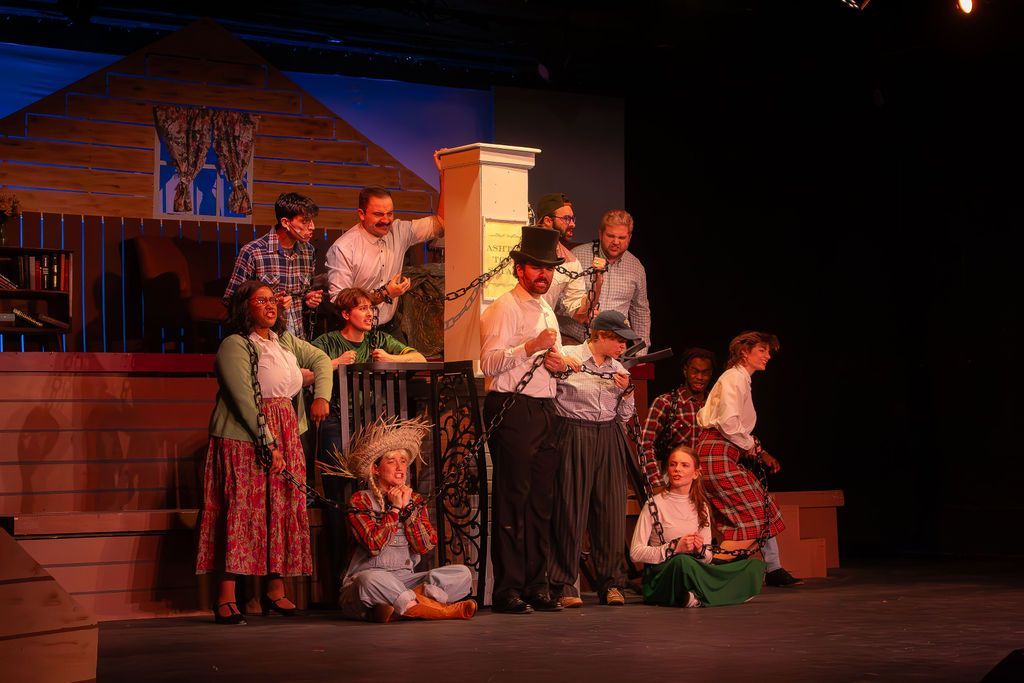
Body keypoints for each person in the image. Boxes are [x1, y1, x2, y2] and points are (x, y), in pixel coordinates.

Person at [196, 280, 332, 624]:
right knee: (242, 511)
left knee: (281, 508)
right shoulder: (235, 344)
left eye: (273, 300)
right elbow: (244, 399)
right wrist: (268, 442)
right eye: (261, 301)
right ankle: (226, 596)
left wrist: (321, 396)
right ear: (245, 307)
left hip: (287, 430)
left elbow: (321, 360)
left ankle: (275, 589)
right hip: (245, 437)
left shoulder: (282, 340)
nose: (271, 306)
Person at [479, 225, 571, 614]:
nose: (543, 274)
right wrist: (530, 346)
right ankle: (508, 588)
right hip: (512, 407)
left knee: (541, 502)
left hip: (545, 408)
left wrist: (558, 364)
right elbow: (488, 362)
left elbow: (553, 361)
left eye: (548, 268)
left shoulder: (546, 308)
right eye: (536, 267)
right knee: (513, 498)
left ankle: (537, 585)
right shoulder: (505, 307)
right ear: (520, 270)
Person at [311, 286, 426, 586]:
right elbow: (306, 370)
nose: (369, 314)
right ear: (346, 314)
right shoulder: (328, 342)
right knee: (339, 496)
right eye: (362, 308)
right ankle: (343, 572)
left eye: (370, 309)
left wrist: (391, 357)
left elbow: (420, 359)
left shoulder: (378, 339)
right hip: (337, 420)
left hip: (371, 425)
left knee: (375, 490)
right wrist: (334, 364)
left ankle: (384, 569)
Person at [325, 416, 476, 622]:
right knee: (369, 580)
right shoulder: (361, 500)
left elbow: (425, 546)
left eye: (403, 461)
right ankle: (441, 610)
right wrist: (395, 509)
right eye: (391, 461)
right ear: (375, 469)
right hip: (370, 581)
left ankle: (399, 607)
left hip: (406, 581)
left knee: (462, 573)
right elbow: (374, 545)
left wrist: (408, 510)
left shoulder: (414, 500)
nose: (400, 467)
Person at [695, 331, 802, 587]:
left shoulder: (740, 379)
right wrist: (750, 446)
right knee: (755, 515)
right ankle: (707, 572)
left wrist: (754, 448)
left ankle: (773, 568)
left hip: (723, 452)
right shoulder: (734, 378)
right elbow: (729, 423)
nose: (767, 356)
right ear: (745, 352)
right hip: (717, 452)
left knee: (762, 508)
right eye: (762, 350)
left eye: (768, 351)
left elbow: (736, 427)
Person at [549, 310, 636, 609]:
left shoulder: (618, 369)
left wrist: (627, 393)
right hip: (573, 432)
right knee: (570, 509)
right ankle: (563, 585)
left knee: (610, 511)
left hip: (609, 434)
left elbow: (624, 416)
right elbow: (546, 390)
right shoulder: (569, 356)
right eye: (619, 340)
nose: (623, 347)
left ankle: (612, 584)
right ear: (600, 336)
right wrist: (561, 367)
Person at [630, 445, 765, 607]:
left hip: (692, 568)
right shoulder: (653, 505)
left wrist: (700, 549)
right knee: (682, 562)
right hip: (663, 576)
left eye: (684, 465)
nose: (677, 469)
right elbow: (635, 553)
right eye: (673, 464)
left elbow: (707, 557)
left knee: (753, 566)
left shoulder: (701, 507)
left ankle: (693, 597)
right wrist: (674, 548)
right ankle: (725, 594)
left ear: (695, 473)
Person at [324, 166, 445, 339]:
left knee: (411, 356)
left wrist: (443, 174)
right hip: (355, 331)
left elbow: (441, 222)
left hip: (389, 327)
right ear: (362, 214)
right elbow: (340, 302)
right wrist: (385, 294)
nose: (386, 220)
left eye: (390, 213)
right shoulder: (343, 248)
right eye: (379, 214)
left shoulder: (399, 231)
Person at [223, 192, 323, 339]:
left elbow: (303, 294)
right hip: (263, 338)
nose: (312, 227)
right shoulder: (253, 252)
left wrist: (308, 300)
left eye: (312, 221)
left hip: (297, 337)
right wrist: (271, 304)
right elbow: (232, 300)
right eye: (304, 221)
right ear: (285, 223)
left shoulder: (308, 251)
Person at [562, 210, 651, 348]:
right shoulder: (576, 257)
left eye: (621, 237)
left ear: (629, 237)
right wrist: (580, 313)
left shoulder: (636, 267)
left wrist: (640, 351)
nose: (616, 242)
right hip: (574, 342)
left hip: (613, 346)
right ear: (600, 234)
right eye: (610, 236)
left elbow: (640, 311)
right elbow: (557, 301)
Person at [639, 348, 716, 493]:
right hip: (674, 474)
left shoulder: (715, 406)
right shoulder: (666, 403)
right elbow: (645, 444)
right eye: (695, 371)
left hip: (707, 477)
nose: (700, 377)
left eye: (705, 373)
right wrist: (656, 482)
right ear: (685, 371)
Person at [533, 192, 604, 331]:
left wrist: (598, 283)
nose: (573, 224)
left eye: (573, 218)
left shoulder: (571, 261)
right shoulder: (521, 250)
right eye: (566, 218)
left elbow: (579, 314)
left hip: (541, 331)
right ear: (548, 220)